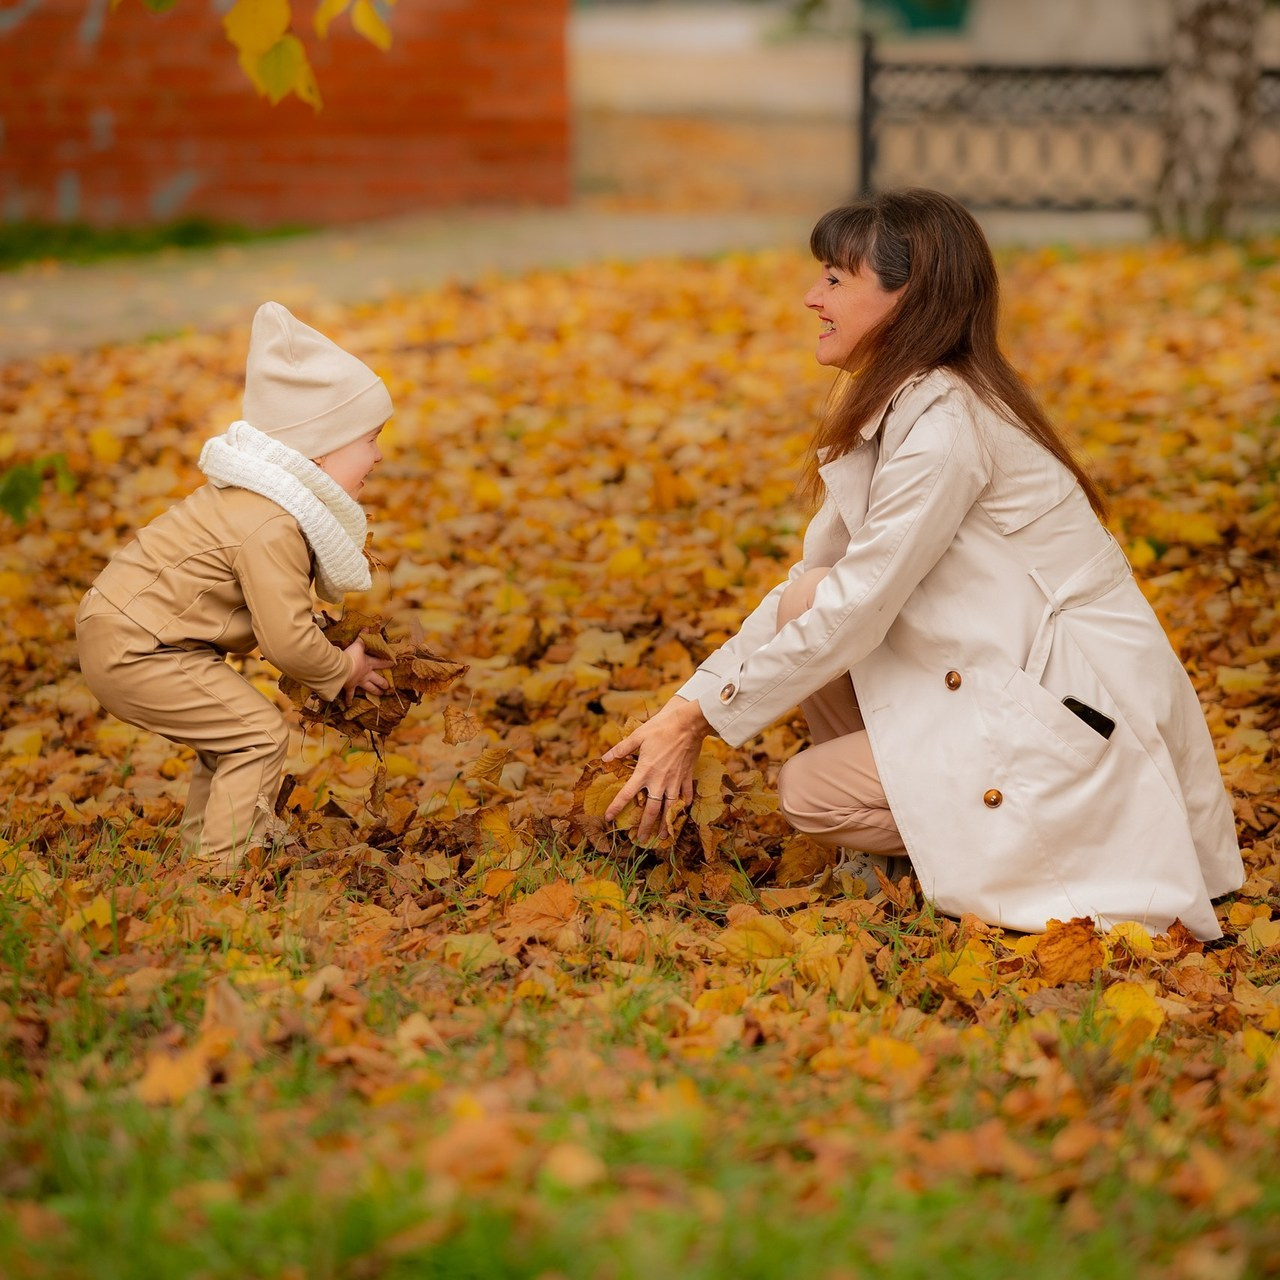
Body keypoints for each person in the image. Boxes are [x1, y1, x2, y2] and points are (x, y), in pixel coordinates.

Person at [603, 188, 1243, 940]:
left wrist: (698, 720)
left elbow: (859, 609)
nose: (812, 298)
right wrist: (690, 705)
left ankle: (946, 859)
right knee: (806, 600)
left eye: (835, 279)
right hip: (1005, 674)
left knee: (809, 792)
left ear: (907, 298)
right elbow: (821, 591)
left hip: (1076, 716)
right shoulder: (909, 406)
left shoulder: (946, 425)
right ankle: (893, 853)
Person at [76, 301, 394, 878]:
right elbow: (286, 640)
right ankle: (220, 875)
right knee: (257, 736)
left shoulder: (265, 505)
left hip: (134, 634)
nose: (378, 454)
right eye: (369, 439)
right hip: (139, 647)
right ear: (318, 448)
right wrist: (341, 668)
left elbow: (280, 614)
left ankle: (201, 860)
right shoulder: (271, 523)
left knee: (232, 738)